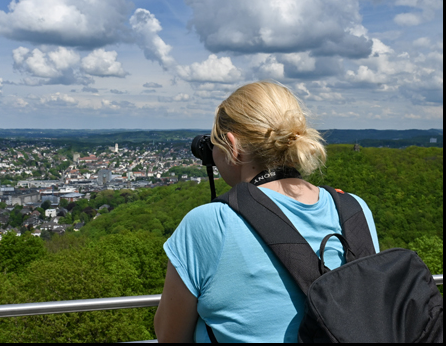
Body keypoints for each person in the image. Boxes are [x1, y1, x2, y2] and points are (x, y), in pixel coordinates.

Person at [154, 81, 379, 343]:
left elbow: (170, 336)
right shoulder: (354, 208)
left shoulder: (209, 223)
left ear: (233, 146)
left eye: (215, 145)